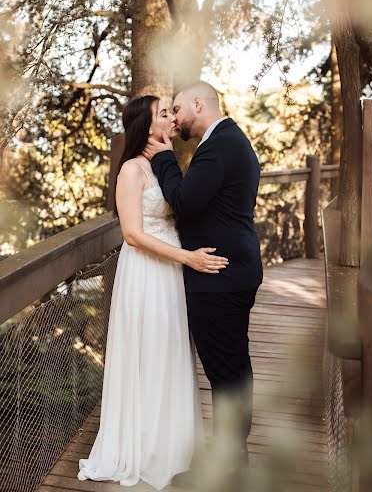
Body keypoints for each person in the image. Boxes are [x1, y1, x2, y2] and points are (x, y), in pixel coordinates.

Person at [78, 94, 228, 489]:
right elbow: (132, 234)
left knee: (170, 351)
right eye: (164, 114)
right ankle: (142, 448)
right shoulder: (131, 170)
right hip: (146, 272)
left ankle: (174, 447)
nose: (172, 118)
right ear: (146, 127)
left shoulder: (162, 165)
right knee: (147, 352)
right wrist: (188, 257)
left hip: (171, 274)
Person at [143, 81, 263, 463]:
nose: (175, 119)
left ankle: (229, 463)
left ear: (198, 103)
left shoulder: (219, 145)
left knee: (225, 372)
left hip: (218, 275)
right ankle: (234, 453)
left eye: (177, 110)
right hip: (232, 270)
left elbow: (184, 201)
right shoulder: (229, 140)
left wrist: (162, 156)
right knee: (233, 367)